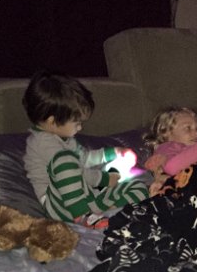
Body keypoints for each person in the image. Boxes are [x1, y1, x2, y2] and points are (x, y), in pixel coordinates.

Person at [23, 71, 149, 227]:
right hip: (61, 204)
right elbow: (72, 171)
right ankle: (83, 216)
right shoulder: (42, 143)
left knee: (140, 188)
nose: (80, 128)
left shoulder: (67, 140)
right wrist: (104, 179)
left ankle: (103, 212)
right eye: (76, 123)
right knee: (66, 161)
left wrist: (113, 153)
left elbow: (85, 158)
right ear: (52, 122)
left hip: (86, 196)